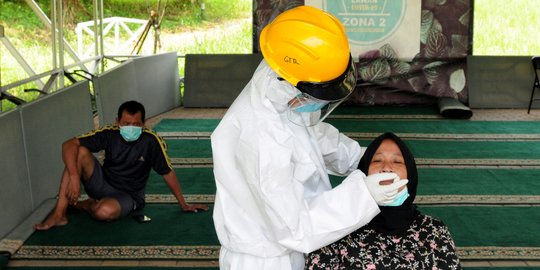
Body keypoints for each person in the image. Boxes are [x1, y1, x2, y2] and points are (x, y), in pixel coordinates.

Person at [210, 6, 408, 270]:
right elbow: (296, 228)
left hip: (290, 250)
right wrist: (365, 194)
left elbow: (310, 135)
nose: (315, 104)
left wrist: (365, 158)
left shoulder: (279, 92)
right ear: (289, 83)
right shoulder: (260, 138)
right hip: (268, 260)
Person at [35, 100, 208, 230]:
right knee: (79, 152)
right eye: (126, 123)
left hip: (128, 196)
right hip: (102, 183)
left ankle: (85, 205)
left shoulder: (151, 141)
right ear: (118, 122)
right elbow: (68, 144)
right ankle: (59, 215)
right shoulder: (109, 134)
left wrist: (183, 204)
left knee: (103, 213)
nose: (131, 127)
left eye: (136, 124)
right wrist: (74, 176)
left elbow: (167, 173)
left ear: (144, 123)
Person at [305, 132, 461, 270]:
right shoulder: (337, 227)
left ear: (411, 175)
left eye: (398, 162)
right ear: (363, 172)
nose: (386, 168)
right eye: (377, 161)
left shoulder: (434, 230)